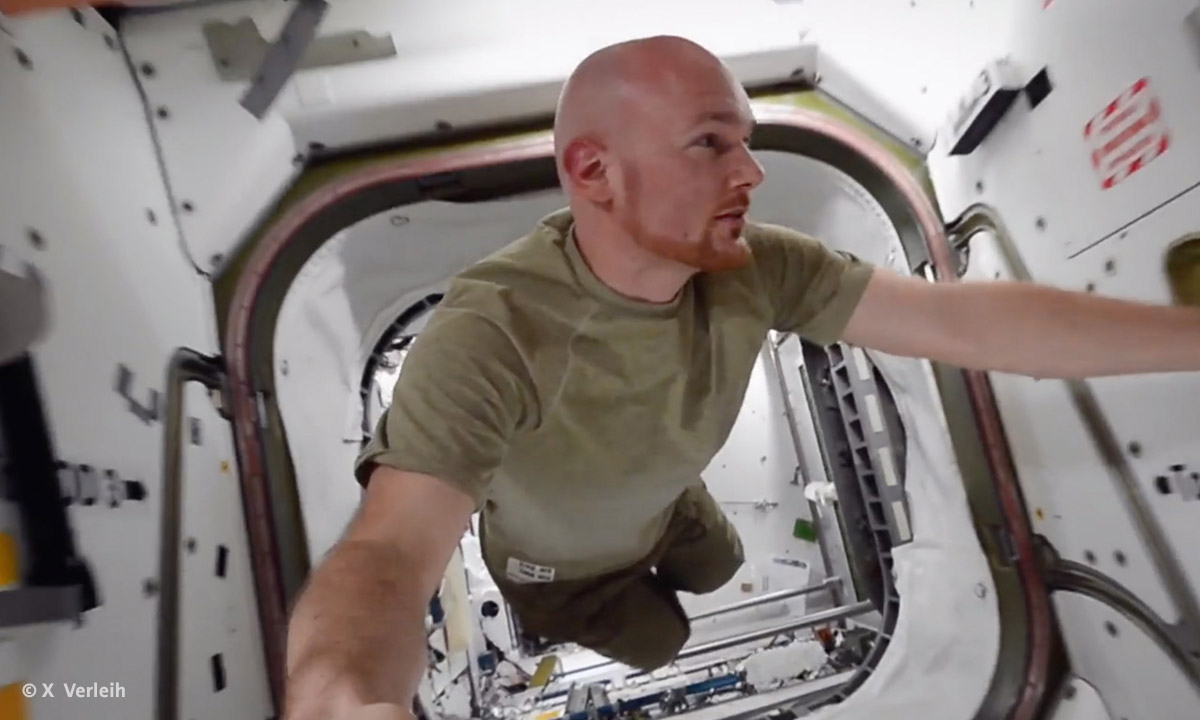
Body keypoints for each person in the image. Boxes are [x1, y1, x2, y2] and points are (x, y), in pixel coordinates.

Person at [282, 35, 1200, 720]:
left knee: (722, 567)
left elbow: (957, 320)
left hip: (666, 503)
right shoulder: (492, 332)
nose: (753, 171)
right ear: (594, 171)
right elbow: (389, 553)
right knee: (666, 640)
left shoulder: (760, 265)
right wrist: (339, 695)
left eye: (748, 141)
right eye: (711, 143)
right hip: (554, 571)